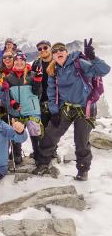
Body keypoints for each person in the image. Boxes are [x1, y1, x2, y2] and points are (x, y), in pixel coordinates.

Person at [33, 40, 110, 181]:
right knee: (50, 134)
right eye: (55, 51)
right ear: (53, 55)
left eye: (61, 49)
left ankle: (82, 170)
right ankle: (43, 163)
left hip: (84, 108)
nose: (58, 52)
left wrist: (93, 58)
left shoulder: (79, 63)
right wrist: (54, 111)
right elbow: (51, 92)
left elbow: (104, 70)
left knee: (81, 141)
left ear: (66, 52)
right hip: (66, 108)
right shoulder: (53, 70)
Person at [0, 51, 43, 165]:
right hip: (16, 111)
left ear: (25, 62)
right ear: (14, 62)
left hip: (32, 110)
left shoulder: (33, 75)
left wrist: (38, 80)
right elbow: (7, 95)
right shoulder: (8, 77)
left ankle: (39, 157)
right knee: (16, 133)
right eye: (17, 60)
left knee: (35, 135)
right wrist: (13, 103)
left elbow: (37, 92)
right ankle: (17, 155)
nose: (19, 62)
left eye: (22, 60)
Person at [31, 40, 53, 128]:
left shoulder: (57, 63)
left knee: (54, 133)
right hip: (41, 103)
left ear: (50, 48)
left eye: (45, 47)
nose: (42, 50)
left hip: (56, 103)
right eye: (40, 49)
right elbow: (32, 82)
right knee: (43, 133)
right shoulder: (36, 64)